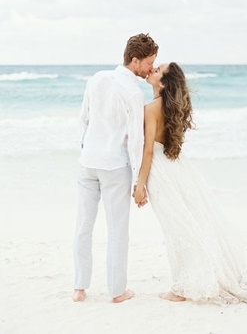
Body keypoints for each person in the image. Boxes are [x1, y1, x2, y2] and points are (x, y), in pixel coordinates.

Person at [132, 63, 247, 304]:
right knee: (185, 225)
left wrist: (139, 185)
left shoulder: (150, 108)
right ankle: (186, 282)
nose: (152, 69)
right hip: (179, 167)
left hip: (161, 173)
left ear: (163, 83)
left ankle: (180, 289)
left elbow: (147, 152)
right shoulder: (173, 107)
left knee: (177, 229)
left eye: (157, 70)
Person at [73, 33, 158, 302]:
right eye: (149, 62)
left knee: (83, 226)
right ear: (135, 60)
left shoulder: (96, 78)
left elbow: (83, 120)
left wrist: (86, 149)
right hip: (114, 166)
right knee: (117, 229)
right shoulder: (133, 92)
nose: (150, 69)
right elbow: (136, 140)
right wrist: (138, 182)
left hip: (88, 163)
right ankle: (117, 291)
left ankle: (79, 288)